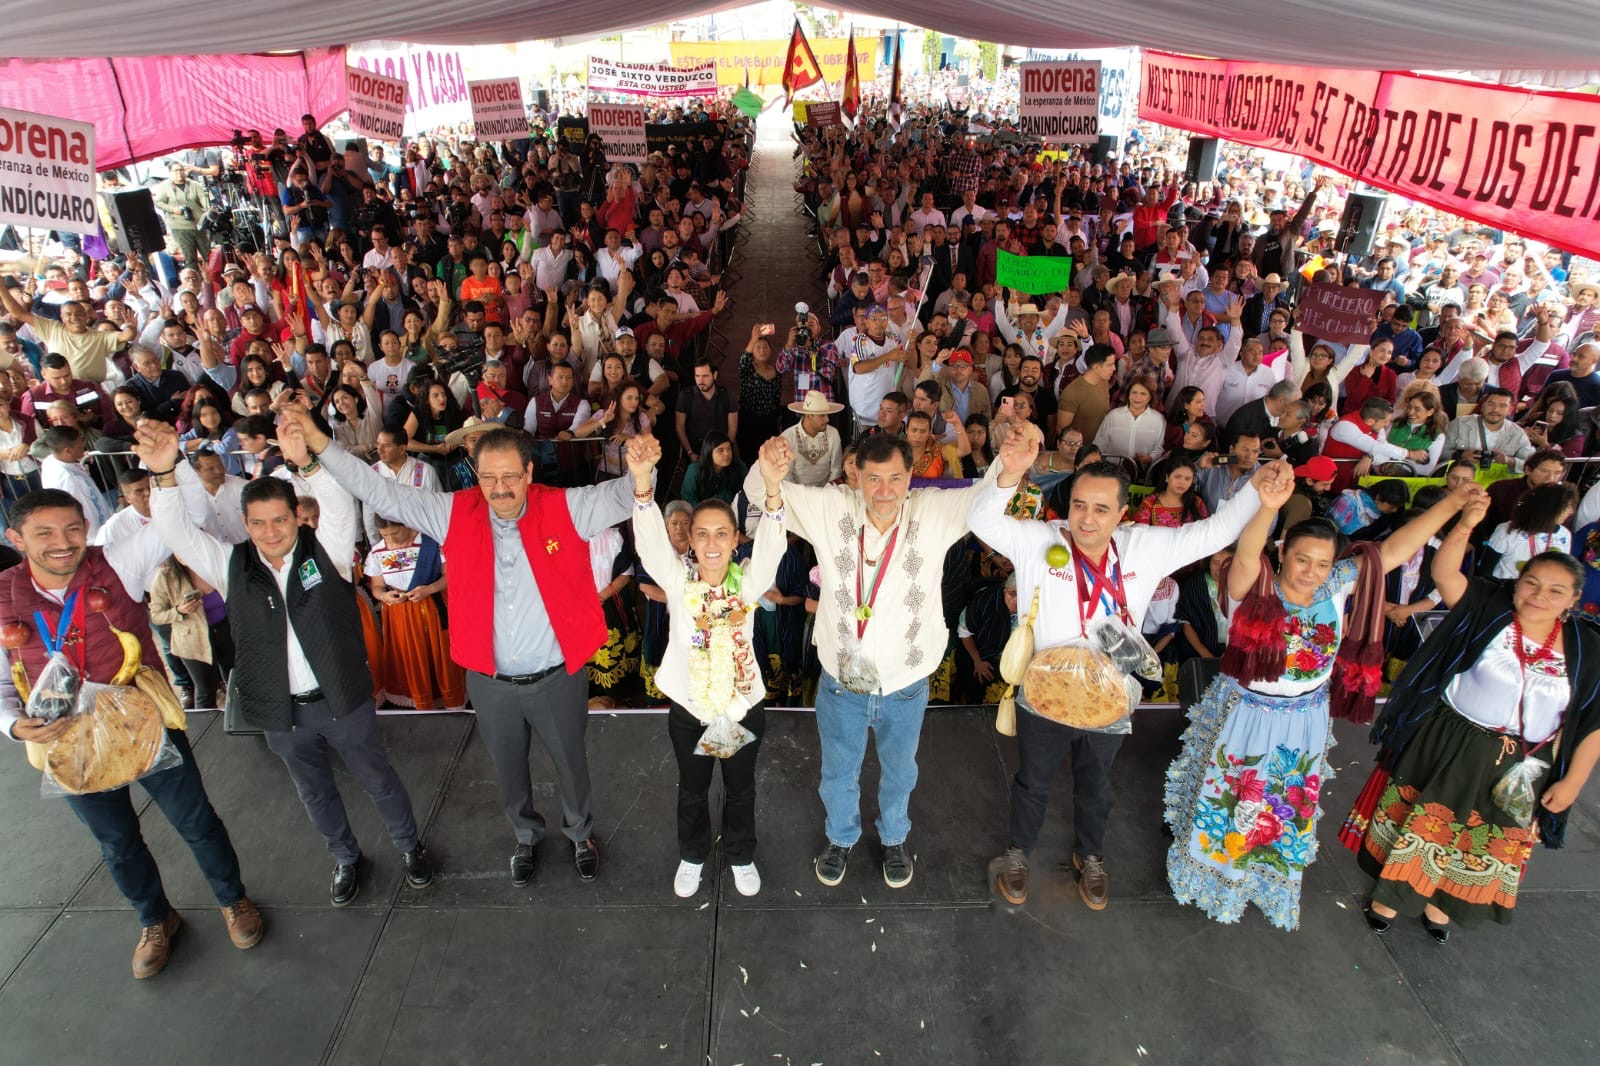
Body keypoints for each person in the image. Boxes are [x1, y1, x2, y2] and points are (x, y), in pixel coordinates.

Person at [278, 408, 645, 886]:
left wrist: (642, 469)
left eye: (510, 476)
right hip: (490, 685)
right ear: (476, 474)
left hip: (557, 677)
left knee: (572, 764)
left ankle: (579, 834)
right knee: (509, 770)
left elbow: (619, 496)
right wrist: (320, 443)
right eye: (489, 477)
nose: (499, 488)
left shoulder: (565, 506)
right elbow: (378, 490)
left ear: (529, 473)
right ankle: (526, 837)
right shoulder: (451, 511)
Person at [972, 423, 1284, 909]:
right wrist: (1008, 472)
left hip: (1112, 693)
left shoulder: (1145, 545)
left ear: (1122, 513)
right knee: (1033, 780)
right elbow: (984, 522)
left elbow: (1216, 531)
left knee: (1096, 783)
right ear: (1067, 505)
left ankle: (1090, 855)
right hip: (1045, 689)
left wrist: (1257, 492)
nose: (1087, 519)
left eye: (1101, 509)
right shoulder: (1040, 541)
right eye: (1078, 505)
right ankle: (1017, 853)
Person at [139, 418, 433, 906]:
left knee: (378, 780)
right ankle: (345, 858)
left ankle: (410, 847)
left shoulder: (331, 553)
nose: (270, 531)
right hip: (282, 711)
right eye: (257, 522)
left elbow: (339, 507)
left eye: (279, 519)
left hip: (343, 699)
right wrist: (165, 474)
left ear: (297, 516)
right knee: (314, 793)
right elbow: (179, 533)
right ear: (246, 524)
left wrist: (307, 462)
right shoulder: (231, 566)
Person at [1164, 482, 1481, 930]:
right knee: (1230, 799)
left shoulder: (1336, 585)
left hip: (1304, 718)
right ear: (1281, 554)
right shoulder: (1252, 586)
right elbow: (1249, 552)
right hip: (1244, 715)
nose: (1311, 571)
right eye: (1301, 559)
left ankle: (1262, 876)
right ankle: (1215, 878)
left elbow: (1391, 551)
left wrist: (1453, 503)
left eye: (1322, 563)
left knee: (1280, 804)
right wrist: (1267, 508)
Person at [0, 489, 261, 978]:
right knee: (117, 842)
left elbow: (188, 518)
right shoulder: (1, 596)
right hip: (66, 738)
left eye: (73, 529)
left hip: (141, 719)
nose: (63, 543)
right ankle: (155, 919)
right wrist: (13, 725)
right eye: (45, 533)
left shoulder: (117, 561)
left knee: (196, 820)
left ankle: (233, 899)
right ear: (15, 538)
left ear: (87, 527)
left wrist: (164, 475)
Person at [742, 432, 991, 889]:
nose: (884, 490)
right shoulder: (830, 507)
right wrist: (768, 469)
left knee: (901, 769)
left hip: (906, 683)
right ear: (855, 475)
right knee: (839, 769)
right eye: (873, 478)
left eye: (895, 478)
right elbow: (760, 492)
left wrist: (1012, 465)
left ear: (909, 476)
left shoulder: (934, 510)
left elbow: (990, 497)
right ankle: (841, 836)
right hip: (842, 682)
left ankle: (894, 836)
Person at [1358, 530, 1600, 940]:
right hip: (1453, 741)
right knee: (1424, 822)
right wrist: (1468, 522)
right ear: (1517, 583)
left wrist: (1573, 782)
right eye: (1531, 583)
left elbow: (1593, 723)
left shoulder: (1590, 649)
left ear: (1574, 599)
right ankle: (1392, 898)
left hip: (1524, 764)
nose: (1539, 595)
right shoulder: (1489, 610)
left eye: (1556, 590)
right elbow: (1445, 571)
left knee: (1482, 839)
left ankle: (1444, 905)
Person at [631, 434, 787, 898]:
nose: (713, 543)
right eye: (702, 534)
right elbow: (650, 546)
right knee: (691, 789)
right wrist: (642, 483)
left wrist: (775, 489)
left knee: (741, 790)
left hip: (742, 707)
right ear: (691, 541)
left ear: (736, 539)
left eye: (723, 533)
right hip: (690, 709)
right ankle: (692, 854)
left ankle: (740, 854)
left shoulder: (748, 584)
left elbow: (774, 549)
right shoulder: (680, 583)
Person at [365, 516, 464, 711]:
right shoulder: (377, 552)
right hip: (400, 615)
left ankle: (450, 700)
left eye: (395, 533)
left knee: (440, 654)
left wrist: (430, 589)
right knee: (411, 657)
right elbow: (376, 586)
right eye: (385, 536)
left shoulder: (430, 544)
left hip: (432, 609)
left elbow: (450, 575)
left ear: (407, 525)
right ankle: (421, 700)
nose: (391, 539)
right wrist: (384, 596)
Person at [1483, 483, 1578, 579]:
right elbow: (1485, 570)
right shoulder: (1507, 530)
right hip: (1503, 590)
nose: (1571, 512)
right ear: (1548, 508)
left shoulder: (1564, 534)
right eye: (1566, 507)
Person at [780, 391, 844, 487]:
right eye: (822, 415)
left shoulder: (833, 433)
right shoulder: (788, 437)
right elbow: (787, 474)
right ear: (809, 415)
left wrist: (826, 494)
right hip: (796, 495)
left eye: (827, 415)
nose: (827, 419)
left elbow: (836, 469)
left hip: (826, 493)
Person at [1133, 457, 1208, 528]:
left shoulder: (1197, 503)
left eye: (1187, 479)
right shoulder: (1150, 503)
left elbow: (1205, 532)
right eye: (1177, 477)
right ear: (1167, 477)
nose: (1182, 482)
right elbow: (1140, 533)